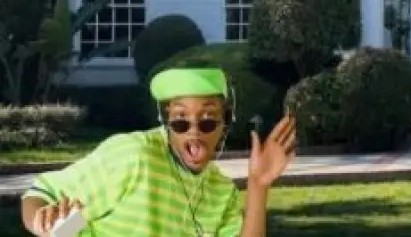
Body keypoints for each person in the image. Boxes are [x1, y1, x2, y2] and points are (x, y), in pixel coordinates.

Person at [20, 61, 297, 236]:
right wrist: (43, 223)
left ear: (224, 122)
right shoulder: (134, 157)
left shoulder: (221, 192)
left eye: (207, 119)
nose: (194, 131)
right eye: (180, 121)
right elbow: (40, 192)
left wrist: (258, 185)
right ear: (167, 123)